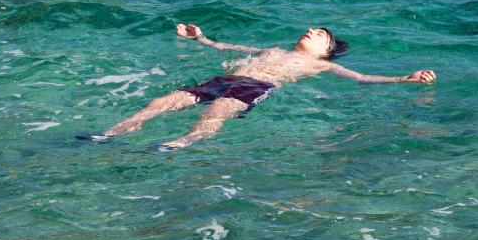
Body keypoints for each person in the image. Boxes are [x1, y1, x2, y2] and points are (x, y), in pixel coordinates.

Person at [88, 24, 436, 150]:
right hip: (225, 79)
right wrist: (200, 38)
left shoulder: (321, 65)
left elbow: (361, 78)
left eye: (319, 34)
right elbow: (226, 47)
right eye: (311, 29)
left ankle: (182, 142)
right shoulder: (272, 50)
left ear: (326, 50)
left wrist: (405, 79)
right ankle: (114, 132)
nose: (310, 31)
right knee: (163, 101)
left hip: (253, 87)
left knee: (215, 113)